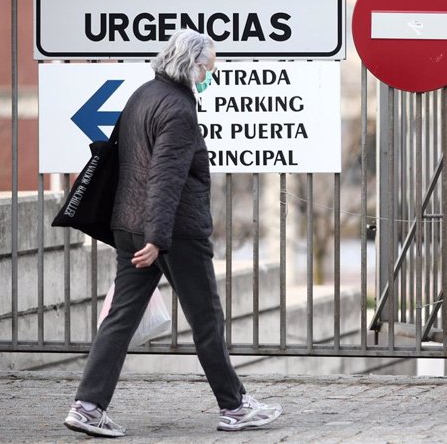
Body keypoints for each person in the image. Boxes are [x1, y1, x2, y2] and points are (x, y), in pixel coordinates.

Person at [63, 29, 283, 438]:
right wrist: (157, 239)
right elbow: (165, 178)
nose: (209, 76)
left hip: (129, 226)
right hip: (173, 233)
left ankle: (88, 406)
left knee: (120, 317)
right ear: (191, 65)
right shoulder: (180, 110)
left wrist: (142, 234)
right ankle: (234, 407)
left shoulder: (143, 95)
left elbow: (131, 168)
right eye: (207, 68)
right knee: (205, 319)